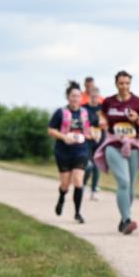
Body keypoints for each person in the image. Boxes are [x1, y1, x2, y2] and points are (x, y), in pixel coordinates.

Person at [95, 70, 139, 234]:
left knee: (131, 187)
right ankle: (127, 220)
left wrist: (137, 119)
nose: (124, 86)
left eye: (127, 83)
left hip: (133, 146)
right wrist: (103, 122)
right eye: (121, 83)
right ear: (116, 84)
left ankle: (123, 219)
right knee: (123, 182)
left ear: (130, 84)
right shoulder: (108, 102)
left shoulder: (138, 102)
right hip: (113, 144)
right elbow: (103, 116)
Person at [47, 82, 91, 224]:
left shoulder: (85, 113)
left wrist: (93, 134)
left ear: (81, 98)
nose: (75, 98)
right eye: (73, 96)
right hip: (63, 152)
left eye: (78, 96)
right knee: (65, 184)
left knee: (78, 181)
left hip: (81, 151)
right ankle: (61, 198)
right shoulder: (60, 112)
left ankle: (77, 213)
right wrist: (64, 137)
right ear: (68, 97)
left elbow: (91, 129)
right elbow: (51, 130)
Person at [84, 86, 104, 200]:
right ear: (89, 96)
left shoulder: (102, 109)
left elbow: (104, 123)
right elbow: (84, 123)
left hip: (99, 140)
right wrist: (90, 131)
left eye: (97, 97)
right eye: (92, 97)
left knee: (97, 165)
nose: (95, 99)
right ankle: (83, 183)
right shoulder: (84, 109)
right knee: (88, 166)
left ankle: (94, 190)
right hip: (87, 140)